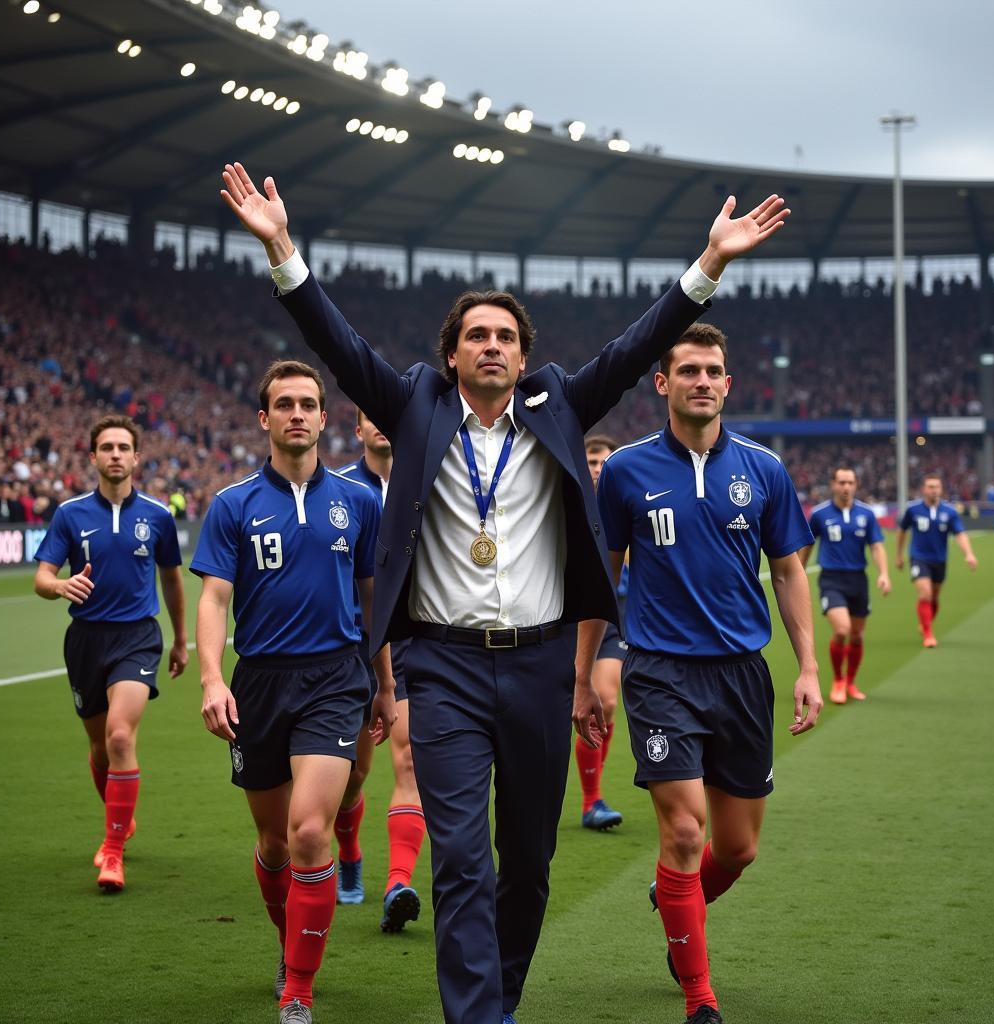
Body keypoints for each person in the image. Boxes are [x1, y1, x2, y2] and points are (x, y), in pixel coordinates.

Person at [220, 159, 789, 1024]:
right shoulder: (414, 403)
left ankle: (502, 997)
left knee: (526, 863)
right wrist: (282, 251)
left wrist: (708, 266)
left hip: (538, 664)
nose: (492, 347)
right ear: (452, 355)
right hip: (442, 667)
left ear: (524, 356)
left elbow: (639, 350)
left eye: (506, 338)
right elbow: (338, 344)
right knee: (461, 860)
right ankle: (477, 1017)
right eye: (476, 336)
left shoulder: (558, 403)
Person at [596, 322, 822, 1024]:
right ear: (662, 383)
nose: (701, 380)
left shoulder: (764, 470)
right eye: (687, 370)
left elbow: (788, 570)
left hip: (742, 675)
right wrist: (588, 672)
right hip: (660, 671)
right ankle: (701, 999)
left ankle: (676, 905)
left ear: (728, 382)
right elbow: (601, 579)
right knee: (685, 835)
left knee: (739, 848)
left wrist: (809, 666)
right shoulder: (627, 471)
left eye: (713, 370)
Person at [191, 360, 395, 1024]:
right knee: (276, 843)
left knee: (311, 831)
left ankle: (298, 989)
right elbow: (215, 597)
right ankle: (291, 944)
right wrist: (213, 677)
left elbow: (374, 600)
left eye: (309, 403)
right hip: (259, 683)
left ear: (323, 417)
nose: (299, 414)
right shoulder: (233, 504)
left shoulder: (358, 502)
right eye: (285, 405)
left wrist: (385, 683)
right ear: (265, 419)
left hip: (336, 679)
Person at [32, 414, 188, 892]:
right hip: (85, 641)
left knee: (121, 737)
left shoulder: (159, 516)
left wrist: (181, 639)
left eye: (124, 447)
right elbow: (41, 578)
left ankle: (113, 852)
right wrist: (60, 585)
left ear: (136, 457)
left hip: (137, 636)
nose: (116, 454)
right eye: (107, 447)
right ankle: (121, 820)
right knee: (100, 748)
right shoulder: (70, 514)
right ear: (94, 457)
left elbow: (171, 580)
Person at [333, 409, 426, 933]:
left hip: (415, 642)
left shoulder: (432, 482)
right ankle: (349, 855)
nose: (384, 424)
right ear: (358, 429)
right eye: (373, 416)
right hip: (353, 649)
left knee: (410, 760)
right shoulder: (340, 489)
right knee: (354, 776)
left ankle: (397, 883)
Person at [799, 466, 891, 704]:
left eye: (850, 483)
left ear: (856, 485)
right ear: (833, 485)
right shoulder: (819, 514)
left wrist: (884, 574)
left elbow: (877, 546)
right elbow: (807, 544)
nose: (846, 487)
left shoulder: (866, 514)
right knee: (842, 630)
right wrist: (798, 574)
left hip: (858, 580)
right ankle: (838, 680)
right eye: (841, 482)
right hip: (831, 579)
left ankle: (850, 681)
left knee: (857, 635)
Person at [576, 435, 628, 831]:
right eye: (592, 460)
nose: (598, 467)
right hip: (558, 616)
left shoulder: (627, 500)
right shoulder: (566, 496)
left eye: (604, 461)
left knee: (606, 701)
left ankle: (592, 800)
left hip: (610, 616)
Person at [895, 473, 977, 648]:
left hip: (939, 560)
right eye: (930, 487)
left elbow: (960, 534)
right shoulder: (913, 510)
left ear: (941, 489)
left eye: (937, 487)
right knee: (925, 593)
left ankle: (925, 622)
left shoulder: (949, 512)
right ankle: (928, 634)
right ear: (924, 489)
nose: (934, 490)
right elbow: (902, 532)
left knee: (934, 597)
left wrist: (968, 553)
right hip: (918, 558)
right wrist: (899, 555)